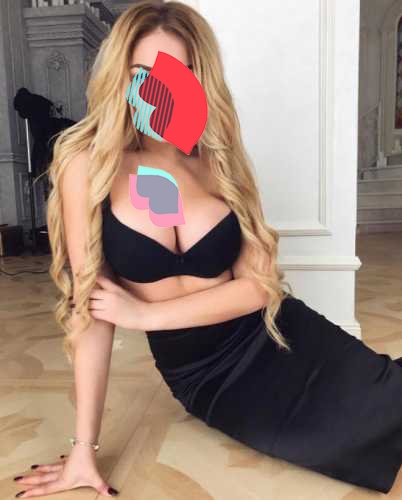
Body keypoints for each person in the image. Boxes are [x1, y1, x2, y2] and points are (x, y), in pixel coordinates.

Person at [13, 1, 402, 498]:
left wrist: (144, 315)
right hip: (209, 378)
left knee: (387, 397)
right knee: (351, 443)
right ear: (121, 76)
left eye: (177, 73)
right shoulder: (87, 165)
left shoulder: (219, 161)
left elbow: (260, 288)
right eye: (143, 73)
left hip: (278, 332)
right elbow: (92, 311)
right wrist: (83, 449)